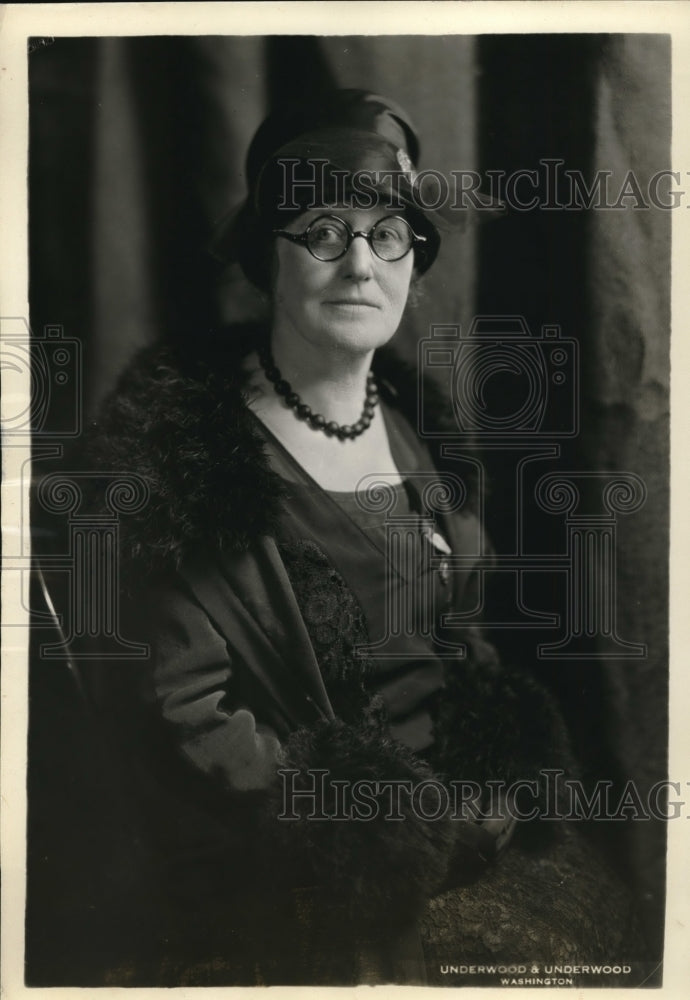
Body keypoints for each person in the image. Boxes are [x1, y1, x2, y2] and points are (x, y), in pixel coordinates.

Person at [72, 89, 637, 986]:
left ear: (414, 261)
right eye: (323, 231)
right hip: (304, 866)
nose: (359, 265)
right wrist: (383, 825)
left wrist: (483, 791)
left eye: (388, 234)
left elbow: (454, 637)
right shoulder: (180, 461)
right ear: (267, 255)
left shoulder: (418, 433)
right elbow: (182, 715)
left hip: (465, 823)